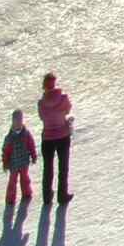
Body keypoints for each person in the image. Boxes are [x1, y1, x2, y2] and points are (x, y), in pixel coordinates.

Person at [37, 73, 73, 205]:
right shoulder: (63, 99)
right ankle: (62, 195)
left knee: (48, 168)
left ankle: (47, 197)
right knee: (63, 167)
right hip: (63, 135)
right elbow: (68, 110)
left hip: (47, 137)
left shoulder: (41, 103)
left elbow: (42, 117)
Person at [2, 109, 37, 206]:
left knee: (25, 179)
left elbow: (31, 145)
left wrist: (33, 155)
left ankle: (27, 193)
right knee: (12, 181)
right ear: (12, 121)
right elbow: (5, 152)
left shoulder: (26, 134)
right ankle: (10, 198)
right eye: (16, 120)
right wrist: (5, 163)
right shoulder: (9, 138)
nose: (18, 122)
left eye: (20, 120)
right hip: (13, 164)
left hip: (24, 162)